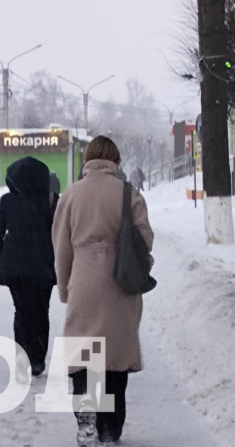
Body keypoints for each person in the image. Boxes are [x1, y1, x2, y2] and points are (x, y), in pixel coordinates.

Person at [53, 136, 153, 446]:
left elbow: (60, 247)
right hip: (120, 282)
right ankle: (110, 427)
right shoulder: (128, 194)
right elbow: (145, 238)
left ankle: (87, 417)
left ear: (88, 158)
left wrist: (64, 285)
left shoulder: (71, 195)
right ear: (115, 160)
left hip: (84, 281)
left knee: (84, 354)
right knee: (115, 358)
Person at [0, 157, 57, 382]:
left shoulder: (8, 201)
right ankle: (37, 358)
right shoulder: (51, 200)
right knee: (41, 311)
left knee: (22, 312)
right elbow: (61, 234)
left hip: (15, 265)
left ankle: (23, 360)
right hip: (44, 263)